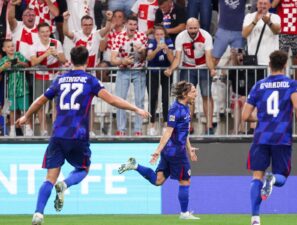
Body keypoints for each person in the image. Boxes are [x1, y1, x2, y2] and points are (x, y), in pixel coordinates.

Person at [16, 46, 150, 225]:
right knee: (83, 169)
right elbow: (112, 100)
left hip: (58, 134)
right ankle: (65, 184)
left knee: (49, 178)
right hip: (78, 135)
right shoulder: (90, 81)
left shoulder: (60, 80)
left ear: (71, 60)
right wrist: (136, 108)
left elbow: (40, 100)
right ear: (87, 61)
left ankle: (38, 214)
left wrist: (26, 116)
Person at [241, 50, 297, 225]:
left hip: (261, 136)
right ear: (285, 65)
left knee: (257, 176)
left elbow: (245, 115)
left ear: (269, 64)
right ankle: (272, 179)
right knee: (281, 177)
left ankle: (255, 219)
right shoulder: (292, 84)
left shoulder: (259, 85)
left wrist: (263, 117)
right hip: (281, 137)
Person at [118, 80, 200, 220]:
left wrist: (189, 148)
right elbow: (168, 132)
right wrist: (157, 150)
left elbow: (183, 131)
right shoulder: (175, 109)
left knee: (158, 180)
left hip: (171, 151)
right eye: (193, 91)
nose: (196, 93)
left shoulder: (186, 107)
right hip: (175, 153)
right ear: (185, 94)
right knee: (185, 181)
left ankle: (135, 165)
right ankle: (184, 214)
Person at [164, 17, 216, 135]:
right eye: (190, 28)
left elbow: (208, 56)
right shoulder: (180, 37)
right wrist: (171, 69)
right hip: (187, 67)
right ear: (186, 27)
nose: (193, 31)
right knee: (187, 98)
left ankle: (209, 126)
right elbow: (178, 58)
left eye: (195, 28)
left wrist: (212, 69)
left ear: (199, 27)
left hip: (203, 67)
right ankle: (188, 126)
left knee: (207, 95)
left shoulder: (206, 36)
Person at [111, 16, 148, 136]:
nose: (132, 27)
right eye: (130, 24)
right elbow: (113, 59)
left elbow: (145, 57)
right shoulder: (118, 37)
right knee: (120, 100)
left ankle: (138, 129)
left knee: (140, 100)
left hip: (139, 71)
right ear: (126, 24)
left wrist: (142, 51)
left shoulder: (142, 36)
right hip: (123, 71)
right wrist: (123, 61)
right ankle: (121, 129)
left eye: (134, 25)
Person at [30, 22, 67, 136]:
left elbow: (64, 60)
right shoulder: (34, 45)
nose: (45, 34)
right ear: (38, 33)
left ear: (50, 31)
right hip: (40, 76)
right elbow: (33, 62)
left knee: (56, 104)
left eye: (47, 31)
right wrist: (45, 54)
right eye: (42, 32)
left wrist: (56, 54)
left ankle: (56, 129)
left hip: (55, 76)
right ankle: (43, 130)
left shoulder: (56, 43)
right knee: (40, 104)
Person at [242, 0, 281, 84]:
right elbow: (244, 34)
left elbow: (277, 31)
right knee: (253, 91)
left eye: (265, 3)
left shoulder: (275, 17)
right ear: (256, 5)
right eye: (260, 3)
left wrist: (269, 22)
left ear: (270, 5)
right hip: (253, 61)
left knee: (268, 92)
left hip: (270, 63)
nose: (262, 6)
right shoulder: (249, 16)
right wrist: (255, 21)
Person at [0, 39, 33, 137]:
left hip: (23, 88)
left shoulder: (19, 55)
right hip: (11, 90)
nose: (11, 48)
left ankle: (28, 129)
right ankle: (12, 130)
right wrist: (4, 67)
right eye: (8, 46)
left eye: (12, 46)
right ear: (4, 49)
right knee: (12, 110)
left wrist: (20, 63)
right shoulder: (4, 59)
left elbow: (27, 65)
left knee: (26, 109)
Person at [146, 25, 174, 135]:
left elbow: (172, 60)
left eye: (161, 34)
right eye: (157, 34)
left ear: (164, 35)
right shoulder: (152, 42)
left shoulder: (169, 41)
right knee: (152, 97)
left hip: (166, 73)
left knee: (166, 98)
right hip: (153, 72)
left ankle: (166, 123)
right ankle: (151, 124)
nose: (159, 36)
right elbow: (149, 58)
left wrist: (166, 50)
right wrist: (157, 49)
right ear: (154, 35)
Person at [212, 0, 245, 65]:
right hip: (222, 31)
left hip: (239, 33)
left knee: (240, 60)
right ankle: (210, 74)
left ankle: (234, 74)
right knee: (214, 58)